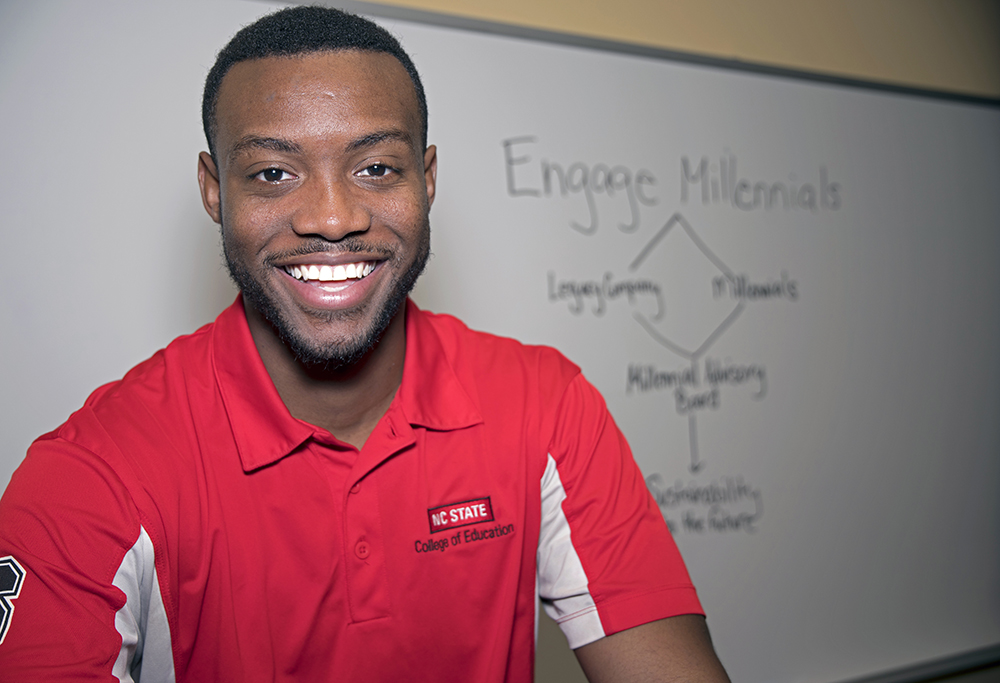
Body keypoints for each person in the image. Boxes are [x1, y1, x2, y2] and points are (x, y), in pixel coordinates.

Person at [0, 6, 729, 682]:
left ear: (428, 178)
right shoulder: (90, 477)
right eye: (273, 173)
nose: (332, 216)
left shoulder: (546, 405)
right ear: (214, 189)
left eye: (375, 168)